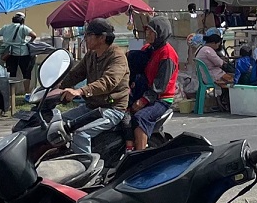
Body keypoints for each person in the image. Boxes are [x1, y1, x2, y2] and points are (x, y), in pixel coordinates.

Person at [55, 18, 129, 155]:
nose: (85, 38)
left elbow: (108, 81)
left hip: (112, 108)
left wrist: (80, 91)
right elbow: (76, 74)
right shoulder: (91, 55)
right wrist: (56, 87)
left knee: (80, 132)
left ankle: (86, 171)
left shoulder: (117, 57)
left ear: (102, 37)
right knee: (58, 123)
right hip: (93, 106)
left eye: (89, 35)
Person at [129, 17, 179, 151]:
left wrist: (143, 101)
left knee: (140, 118)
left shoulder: (167, 55)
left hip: (161, 99)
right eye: (147, 31)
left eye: (151, 32)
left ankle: (139, 156)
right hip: (144, 91)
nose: (148, 34)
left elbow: (160, 85)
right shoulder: (149, 49)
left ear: (160, 33)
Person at [0, 12, 38, 81]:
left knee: (11, 74)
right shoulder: (23, 27)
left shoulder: (5, 27)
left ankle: (12, 91)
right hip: (23, 53)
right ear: (22, 20)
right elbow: (34, 35)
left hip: (10, 54)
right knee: (26, 74)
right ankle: (27, 91)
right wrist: (29, 42)